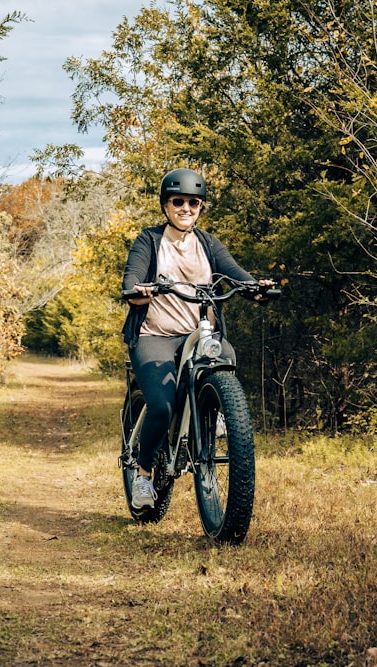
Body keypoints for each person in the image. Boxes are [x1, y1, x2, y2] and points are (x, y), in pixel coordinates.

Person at [121, 167, 272, 510]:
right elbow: (132, 279)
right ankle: (143, 476)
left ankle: (216, 411)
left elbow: (235, 273)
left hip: (199, 334)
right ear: (166, 205)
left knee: (226, 356)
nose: (185, 208)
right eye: (178, 201)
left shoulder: (207, 243)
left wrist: (255, 288)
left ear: (201, 206)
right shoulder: (149, 240)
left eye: (193, 202)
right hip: (155, 335)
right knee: (161, 404)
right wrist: (138, 290)